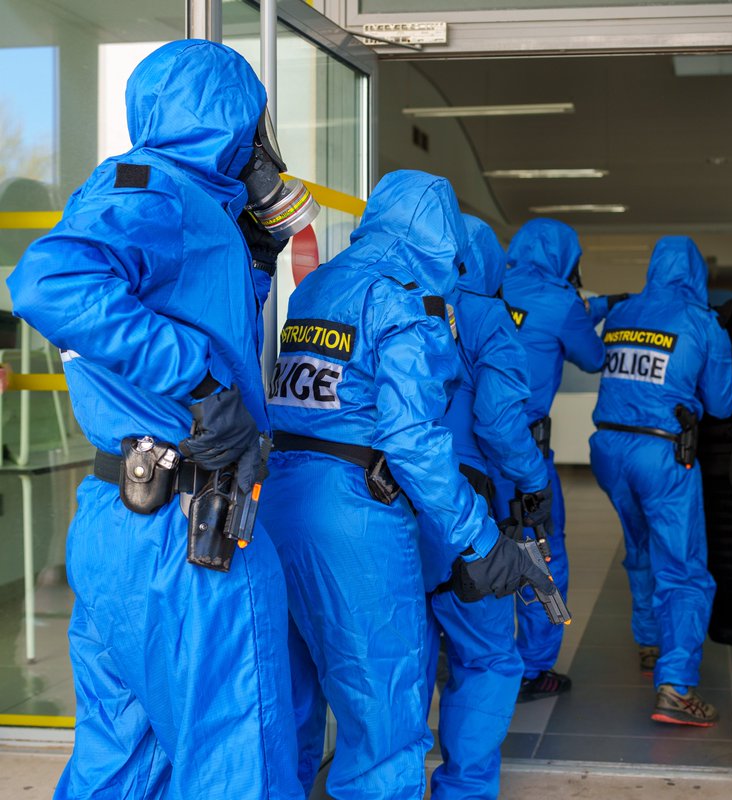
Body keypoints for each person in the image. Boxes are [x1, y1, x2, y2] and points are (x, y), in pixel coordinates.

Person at [7, 40, 306, 798]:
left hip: (123, 522)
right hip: (189, 534)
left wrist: (258, 256)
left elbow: (199, 319)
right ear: (238, 119)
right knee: (237, 755)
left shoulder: (185, 205)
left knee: (123, 762)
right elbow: (48, 282)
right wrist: (200, 383)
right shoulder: (155, 188)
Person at [258, 170, 554, 800]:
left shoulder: (321, 287)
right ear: (440, 236)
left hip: (277, 504)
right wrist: (480, 539)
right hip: (355, 518)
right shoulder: (403, 296)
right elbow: (412, 438)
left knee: (291, 705)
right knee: (384, 718)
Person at [419, 214, 552, 800]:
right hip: (464, 511)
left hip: (392, 502)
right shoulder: (486, 317)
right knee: (488, 657)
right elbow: (499, 423)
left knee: (407, 652)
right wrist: (533, 482)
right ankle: (464, 790)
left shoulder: (410, 304)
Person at [589, 235, 732, 727]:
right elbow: (722, 403)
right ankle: (676, 686)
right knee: (684, 568)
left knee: (640, 549)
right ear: (696, 274)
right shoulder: (701, 322)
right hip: (662, 454)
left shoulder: (626, 312)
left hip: (609, 448)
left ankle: (651, 643)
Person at [493, 217, 605, 701]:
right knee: (543, 554)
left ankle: (478, 656)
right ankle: (534, 667)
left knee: (474, 546)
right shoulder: (561, 303)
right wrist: (593, 310)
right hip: (524, 454)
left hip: (469, 450)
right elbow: (593, 356)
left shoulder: (486, 288)